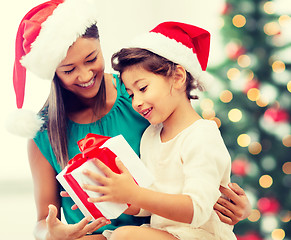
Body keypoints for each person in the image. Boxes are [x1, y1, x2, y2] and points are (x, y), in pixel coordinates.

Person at [10, 0, 250, 239]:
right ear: (53, 72)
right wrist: (52, 234)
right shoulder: (44, 132)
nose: (84, 75)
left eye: (91, 59)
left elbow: (199, 162)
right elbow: (43, 220)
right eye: (69, 70)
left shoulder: (141, 92)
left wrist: (234, 206)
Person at [80, 22, 246, 240]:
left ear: (178, 77)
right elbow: (147, 207)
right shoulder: (150, 136)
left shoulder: (202, 135)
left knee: (124, 236)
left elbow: (197, 210)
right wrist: (113, 194)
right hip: (165, 233)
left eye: (142, 88)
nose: (136, 102)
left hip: (200, 235)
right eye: (130, 94)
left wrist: (135, 193)